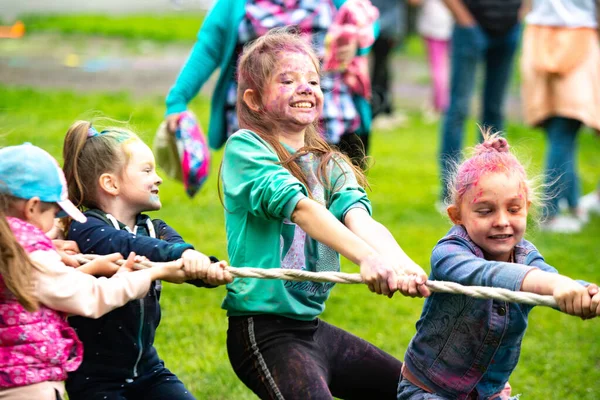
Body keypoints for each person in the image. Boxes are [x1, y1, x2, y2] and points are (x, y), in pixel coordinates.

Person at [221, 28, 430, 399]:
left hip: (311, 328)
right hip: (263, 331)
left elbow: (359, 219)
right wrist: (366, 259)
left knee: (413, 392)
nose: (305, 88)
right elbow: (301, 210)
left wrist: (400, 263)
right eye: (287, 80)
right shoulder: (246, 150)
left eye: (313, 80)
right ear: (254, 99)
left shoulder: (329, 163)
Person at [398, 133, 600, 399]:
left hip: (488, 393)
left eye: (514, 209)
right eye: (485, 211)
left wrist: (586, 293)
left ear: (527, 208)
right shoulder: (449, 253)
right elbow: (488, 274)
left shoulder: (527, 256)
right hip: (430, 389)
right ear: (456, 215)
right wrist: (554, 284)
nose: (502, 221)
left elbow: (552, 281)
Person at [0, 143, 193, 400]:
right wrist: (144, 276)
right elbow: (89, 297)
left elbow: (47, 291)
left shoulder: (15, 250)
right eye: (55, 212)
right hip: (29, 386)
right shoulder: (32, 255)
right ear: (32, 208)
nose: (58, 223)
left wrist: (88, 267)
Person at [61, 122, 233, 400]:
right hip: (95, 380)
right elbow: (134, 247)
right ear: (111, 183)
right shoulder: (87, 228)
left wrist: (208, 270)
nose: (159, 178)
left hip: (148, 369)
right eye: (146, 170)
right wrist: (183, 256)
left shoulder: (155, 228)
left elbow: (179, 255)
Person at [165, 0, 379, 167]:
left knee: (342, 208)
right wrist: (178, 99)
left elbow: (366, 24)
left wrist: (356, 45)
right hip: (263, 125)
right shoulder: (234, 3)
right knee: (272, 211)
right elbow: (209, 49)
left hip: (330, 121)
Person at [521, 0, 600, 233]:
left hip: (538, 35)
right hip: (578, 37)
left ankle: (574, 205)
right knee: (564, 132)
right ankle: (550, 215)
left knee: (560, 132)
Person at [438, 0, 523, 206]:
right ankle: (451, 191)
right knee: (458, 109)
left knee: (494, 110)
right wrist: (464, 19)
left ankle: (492, 185)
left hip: (509, 28)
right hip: (470, 26)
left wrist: (521, 13)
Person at [410, 0, 453, 120]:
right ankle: (440, 101)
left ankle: (440, 105)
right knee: (448, 67)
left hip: (434, 24)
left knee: (438, 67)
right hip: (454, 23)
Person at [369, 0, 407, 126]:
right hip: (386, 26)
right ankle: (378, 109)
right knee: (380, 70)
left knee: (380, 68)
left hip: (374, 24)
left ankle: (385, 108)